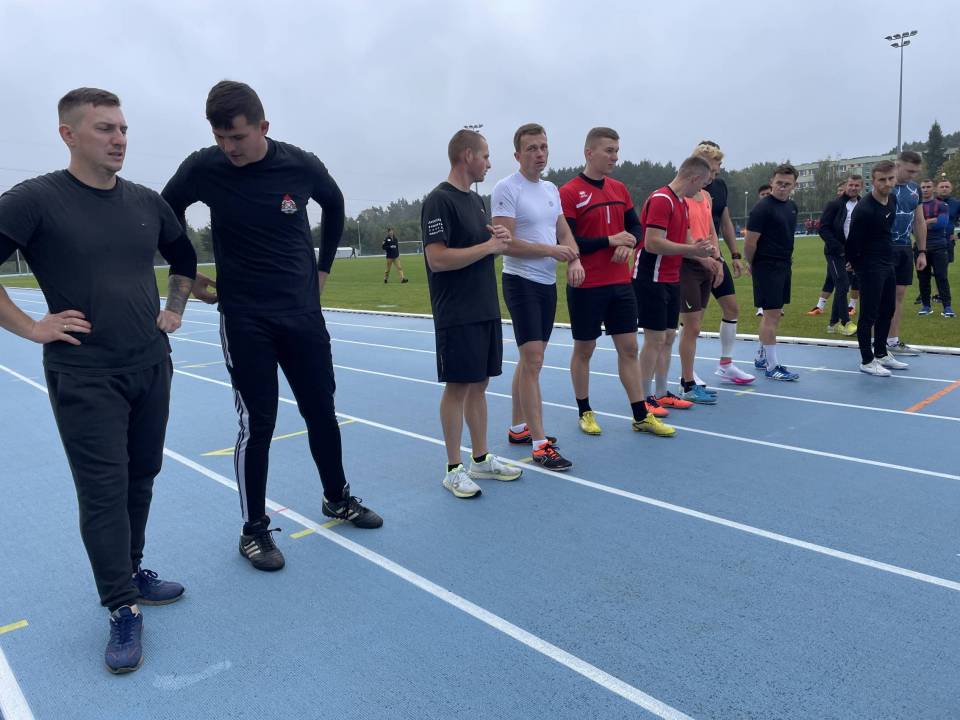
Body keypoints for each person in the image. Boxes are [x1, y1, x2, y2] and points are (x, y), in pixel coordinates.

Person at [0, 88, 197, 673]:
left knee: (142, 477)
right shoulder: (35, 200)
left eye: (123, 129)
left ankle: (130, 570)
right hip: (85, 375)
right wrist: (31, 326)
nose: (119, 139)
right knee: (104, 491)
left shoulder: (146, 201)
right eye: (105, 129)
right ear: (69, 134)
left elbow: (184, 257)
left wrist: (174, 308)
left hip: (150, 364)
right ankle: (121, 606)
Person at [162, 80, 382, 571]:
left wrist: (323, 269)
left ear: (263, 126)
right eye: (220, 137)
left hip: (302, 314)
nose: (229, 148)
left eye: (238, 137)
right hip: (245, 318)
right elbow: (165, 208)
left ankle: (337, 498)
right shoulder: (204, 167)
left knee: (321, 411)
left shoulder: (299, 164)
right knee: (257, 424)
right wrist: (186, 269)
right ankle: (253, 530)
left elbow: (335, 204)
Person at [421, 129, 521, 498]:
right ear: (467, 156)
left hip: (484, 306)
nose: (489, 163)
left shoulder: (477, 202)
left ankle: (480, 458)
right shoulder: (438, 201)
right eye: (485, 156)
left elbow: (483, 247)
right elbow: (437, 258)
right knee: (458, 386)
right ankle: (453, 468)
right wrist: (488, 246)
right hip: (456, 310)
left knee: (480, 384)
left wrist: (497, 242)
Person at [559, 127, 673, 437]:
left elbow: (636, 227)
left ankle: (640, 415)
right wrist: (610, 240)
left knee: (630, 348)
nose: (615, 157)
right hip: (586, 285)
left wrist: (629, 243)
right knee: (585, 349)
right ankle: (584, 411)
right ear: (589, 152)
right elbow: (569, 240)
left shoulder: (619, 188)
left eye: (616, 151)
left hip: (621, 284)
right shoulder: (569, 192)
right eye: (609, 151)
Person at [491, 123, 583, 471]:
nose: (539, 153)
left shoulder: (550, 188)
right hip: (521, 280)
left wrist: (573, 258)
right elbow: (505, 243)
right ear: (518, 155)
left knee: (531, 359)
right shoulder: (506, 188)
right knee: (533, 360)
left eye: (543, 147)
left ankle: (519, 428)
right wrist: (552, 250)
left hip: (546, 283)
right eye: (531, 148)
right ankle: (540, 444)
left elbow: (563, 231)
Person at [635, 157, 717, 416]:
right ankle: (643, 397)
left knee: (669, 336)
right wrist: (692, 250)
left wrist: (701, 251)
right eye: (703, 183)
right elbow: (652, 243)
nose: (702, 190)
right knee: (655, 339)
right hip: (651, 276)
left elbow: (683, 237)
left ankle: (661, 393)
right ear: (694, 178)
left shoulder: (681, 202)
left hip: (671, 276)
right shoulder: (662, 199)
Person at [691, 142, 755, 388]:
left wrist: (734, 255)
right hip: (692, 258)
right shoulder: (688, 186)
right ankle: (688, 372)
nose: (717, 172)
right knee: (693, 321)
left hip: (714, 255)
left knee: (731, 308)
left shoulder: (718, 187)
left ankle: (726, 364)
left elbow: (724, 222)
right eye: (715, 166)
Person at [845, 161, 908, 376]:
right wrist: (857, 266)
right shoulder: (864, 209)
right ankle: (866, 360)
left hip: (887, 261)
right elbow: (852, 242)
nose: (887, 183)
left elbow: (885, 232)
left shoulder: (892, 199)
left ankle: (881, 353)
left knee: (888, 309)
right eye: (882, 180)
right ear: (872, 181)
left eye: (891, 178)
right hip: (869, 265)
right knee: (869, 315)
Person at [745, 164, 801, 381]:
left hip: (784, 264)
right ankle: (772, 366)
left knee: (775, 314)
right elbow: (750, 242)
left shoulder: (792, 207)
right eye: (779, 183)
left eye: (787, 184)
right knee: (770, 315)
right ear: (771, 182)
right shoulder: (762, 208)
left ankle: (762, 357)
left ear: (794, 185)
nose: (782, 187)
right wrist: (751, 263)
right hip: (767, 266)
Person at [886, 151, 928, 355]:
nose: (913, 175)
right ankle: (875, 344)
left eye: (916, 172)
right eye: (910, 171)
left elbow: (919, 221)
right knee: (879, 297)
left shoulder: (915, 189)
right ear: (898, 165)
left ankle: (892, 341)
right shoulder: (885, 186)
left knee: (899, 295)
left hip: (904, 248)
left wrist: (922, 251)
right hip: (883, 248)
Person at [815, 175, 862, 335]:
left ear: (861, 187)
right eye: (851, 185)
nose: (853, 188)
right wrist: (838, 247)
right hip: (835, 252)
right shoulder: (834, 204)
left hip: (853, 253)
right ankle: (845, 322)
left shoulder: (863, 205)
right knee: (842, 284)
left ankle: (833, 324)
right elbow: (823, 228)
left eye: (856, 185)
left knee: (843, 287)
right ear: (846, 186)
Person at [917, 179, 953, 317]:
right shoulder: (916, 205)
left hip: (939, 246)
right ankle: (926, 306)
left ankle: (947, 307)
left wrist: (923, 223)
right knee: (923, 278)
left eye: (928, 187)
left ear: (933, 189)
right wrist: (932, 220)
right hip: (921, 247)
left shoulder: (942, 205)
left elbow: (942, 223)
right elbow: (914, 227)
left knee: (941, 277)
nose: (925, 189)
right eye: (923, 187)